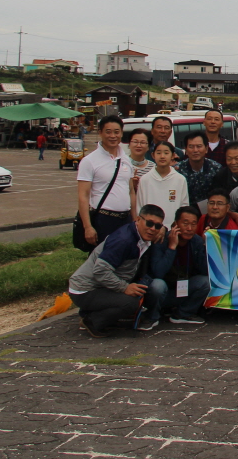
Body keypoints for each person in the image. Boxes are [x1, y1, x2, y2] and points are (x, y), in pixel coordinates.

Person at [68, 203, 164, 337]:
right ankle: (92, 321)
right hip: (84, 289)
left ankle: (100, 316)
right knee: (130, 303)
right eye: (149, 223)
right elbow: (100, 271)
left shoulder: (139, 237)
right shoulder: (124, 240)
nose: (153, 229)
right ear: (138, 219)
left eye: (158, 226)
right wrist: (124, 288)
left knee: (137, 293)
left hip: (99, 286)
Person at [144, 206, 210, 328]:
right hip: (162, 292)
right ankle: (152, 316)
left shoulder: (196, 241)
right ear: (175, 224)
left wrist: (206, 245)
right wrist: (172, 248)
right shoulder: (162, 239)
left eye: (193, 224)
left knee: (206, 282)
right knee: (157, 285)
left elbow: (205, 271)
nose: (189, 228)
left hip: (182, 290)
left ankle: (183, 313)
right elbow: (158, 272)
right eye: (185, 223)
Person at [76, 115, 135, 249]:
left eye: (116, 132)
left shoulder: (126, 159)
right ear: (100, 133)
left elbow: (131, 191)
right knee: (102, 258)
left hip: (125, 220)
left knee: (125, 258)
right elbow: (83, 196)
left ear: (121, 133)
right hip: (103, 220)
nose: (113, 136)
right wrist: (88, 227)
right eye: (108, 132)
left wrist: (134, 218)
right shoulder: (89, 161)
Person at [136, 140, 190, 225]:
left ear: (173, 155)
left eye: (166, 153)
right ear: (153, 155)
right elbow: (139, 206)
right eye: (158, 153)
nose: (162, 156)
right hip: (150, 228)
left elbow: (184, 207)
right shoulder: (145, 180)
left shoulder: (180, 179)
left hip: (173, 228)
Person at [177, 132, 223, 212]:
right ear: (186, 150)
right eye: (191, 147)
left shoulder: (216, 168)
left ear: (206, 149)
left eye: (199, 146)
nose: (195, 150)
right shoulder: (178, 170)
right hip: (185, 212)